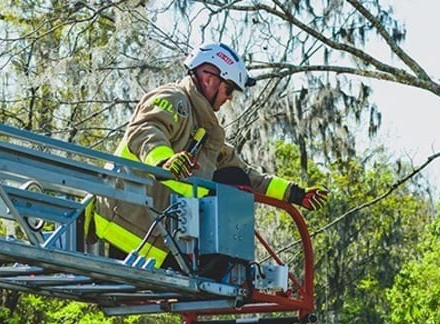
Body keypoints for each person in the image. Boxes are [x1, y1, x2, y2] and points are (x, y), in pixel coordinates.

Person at [85, 42, 328, 269]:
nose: (230, 97)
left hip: (157, 242)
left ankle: (218, 268)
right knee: (230, 184)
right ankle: (217, 269)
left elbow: (245, 175)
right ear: (209, 77)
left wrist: (295, 194)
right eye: (229, 88)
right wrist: (163, 161)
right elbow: (146, 131)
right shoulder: (173, 99)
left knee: (234, 177)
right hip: (128, 226)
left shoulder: (206, 131)